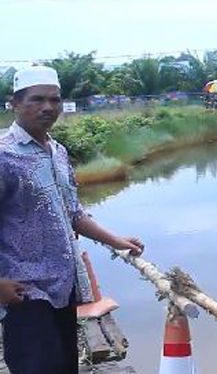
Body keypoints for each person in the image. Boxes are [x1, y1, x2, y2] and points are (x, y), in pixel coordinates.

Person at [0, 65, 145, 374]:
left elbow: (73, 213)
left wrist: (117, 241)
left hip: (64, 286)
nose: (48, 107)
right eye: (37, 99)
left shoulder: (58, 152)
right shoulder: (3, 155)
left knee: (65, 367)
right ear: (15, 103)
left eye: (54, 100)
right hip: (25, 291)